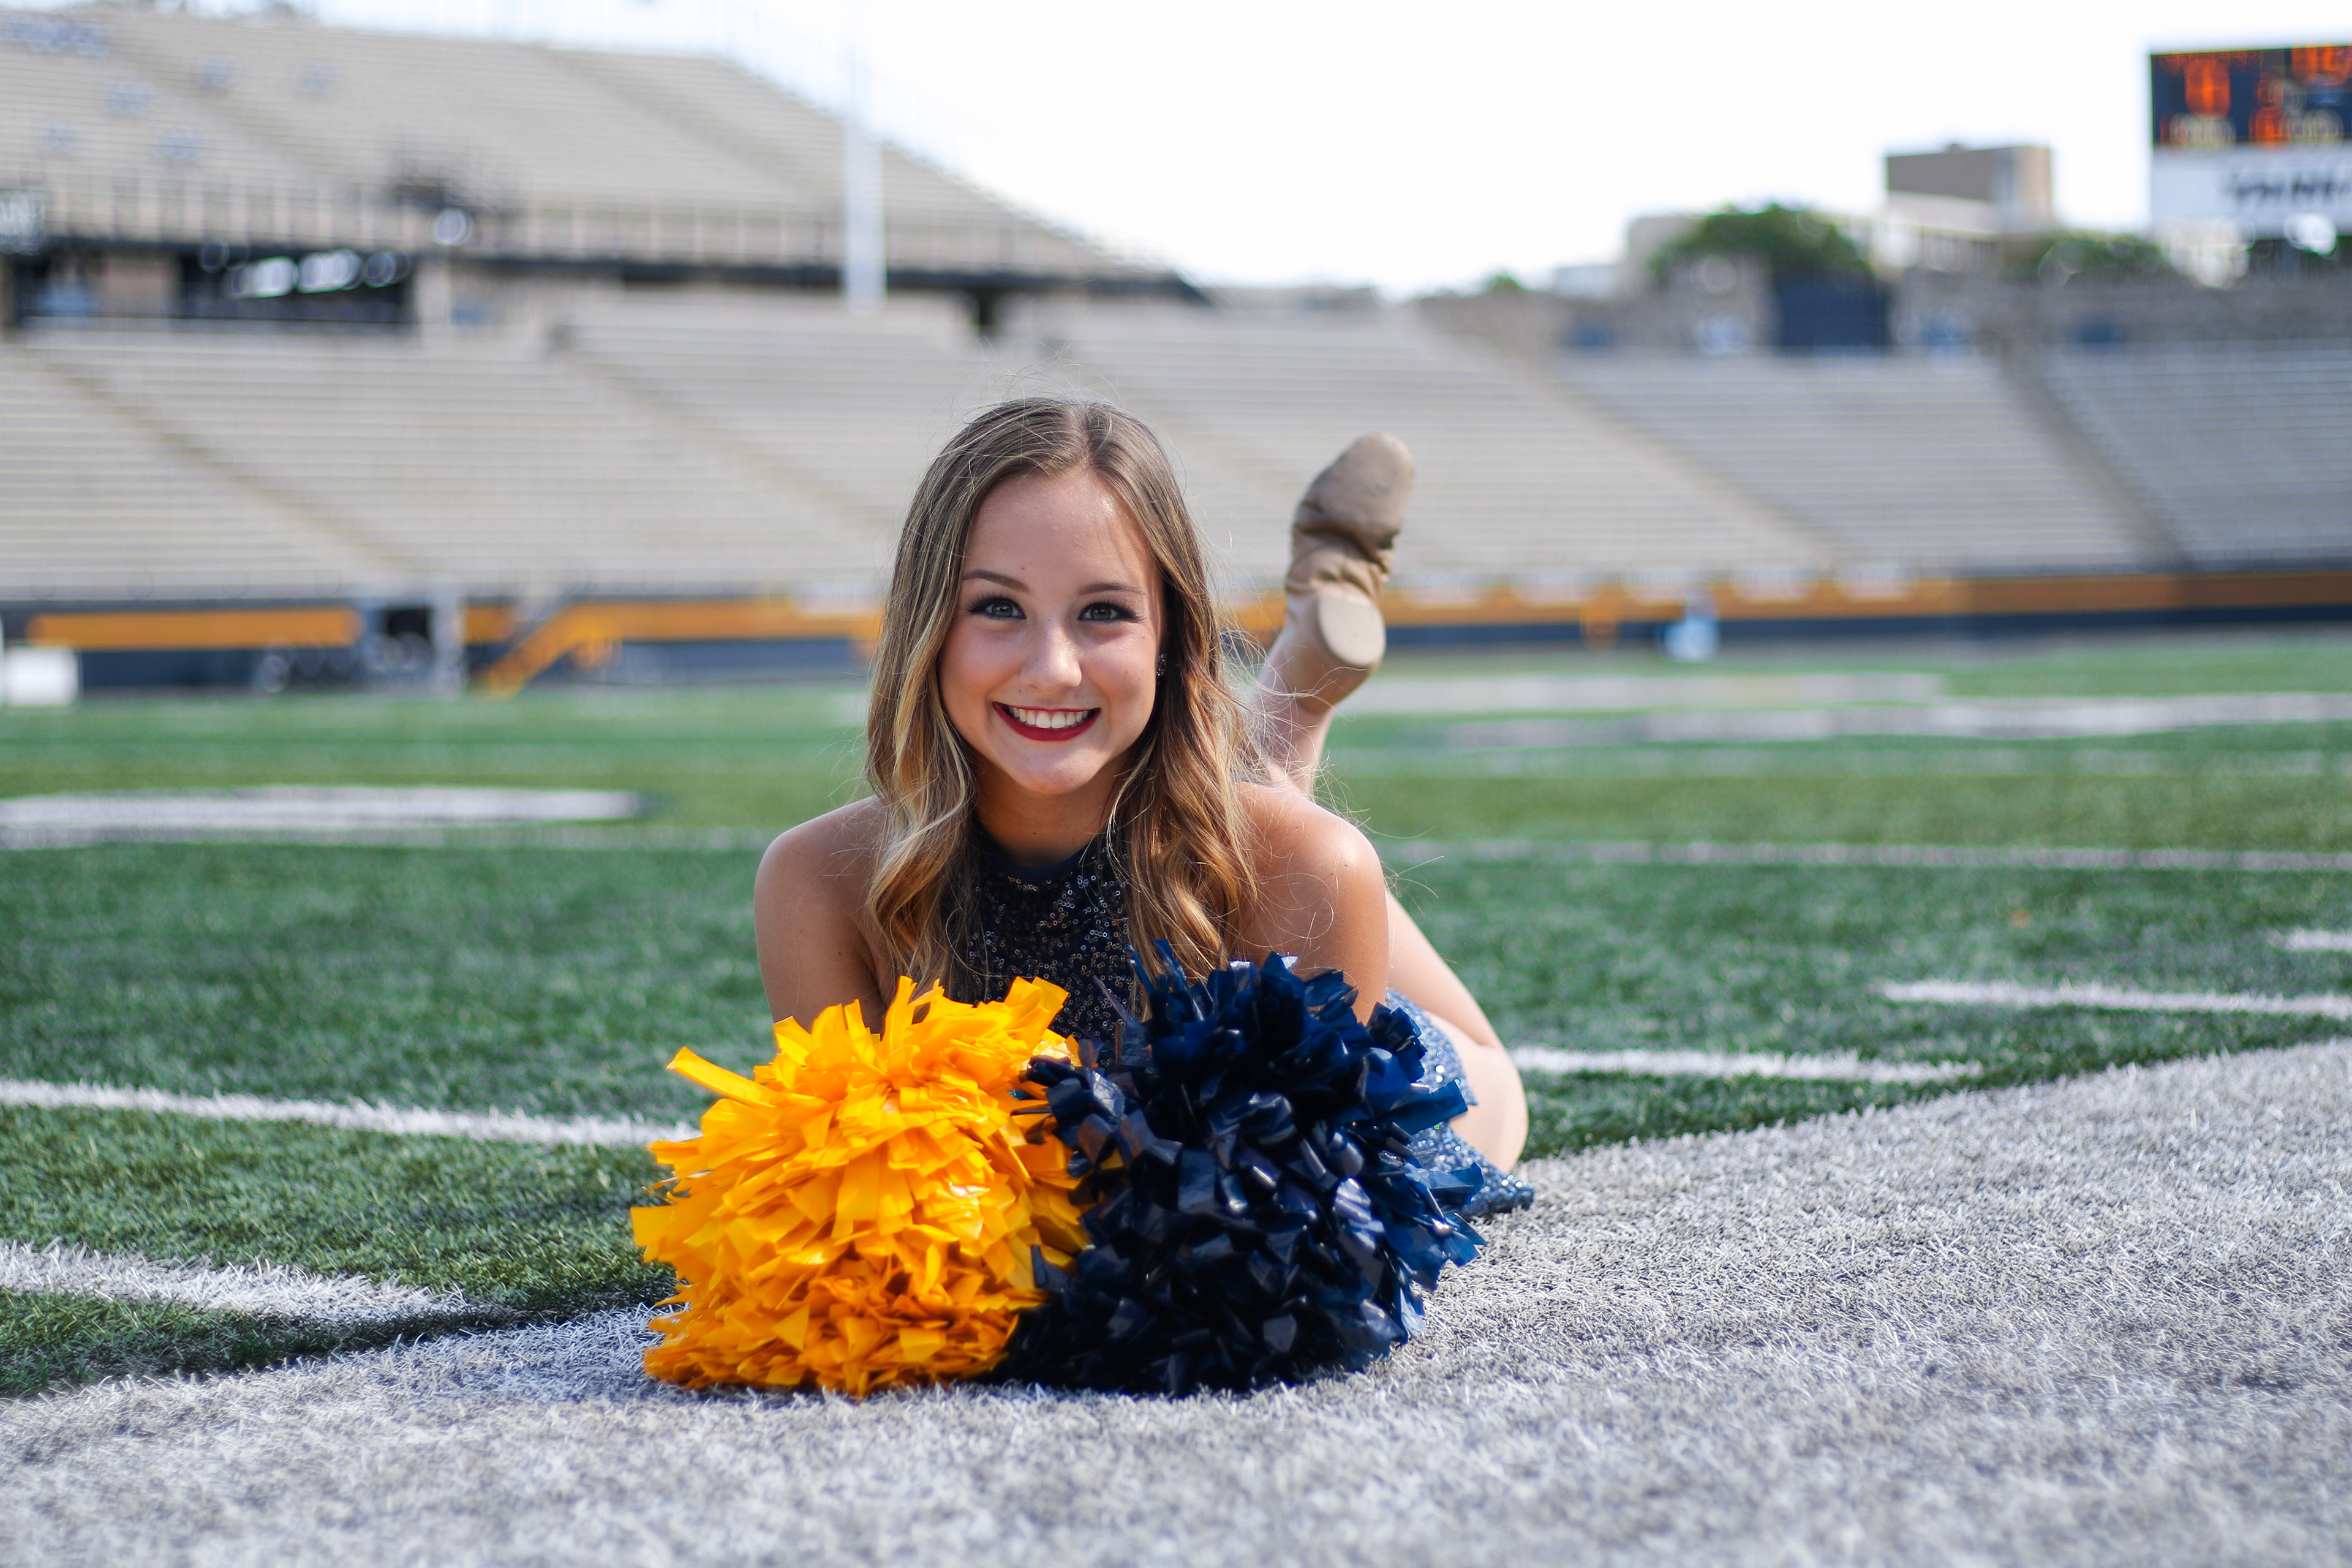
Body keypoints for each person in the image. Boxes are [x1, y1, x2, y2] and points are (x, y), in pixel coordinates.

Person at [754, 398, 1529, 1204]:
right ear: (928, 627)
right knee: (1254, 831)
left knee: (1307, 878)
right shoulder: (816, 881)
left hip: (1381, 1106)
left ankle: (1294, 699)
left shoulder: (1309, 867)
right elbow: (861, 1195)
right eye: (998, 607)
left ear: (1170, 636)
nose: (1052, 668)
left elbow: (1272, 1217)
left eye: (1104, 612)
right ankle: (1291, 694)